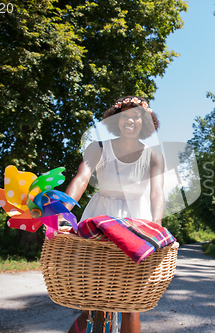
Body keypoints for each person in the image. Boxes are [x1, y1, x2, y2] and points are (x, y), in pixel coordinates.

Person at [63, 96, 165, 333]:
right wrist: (63, 211)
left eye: (137, 116)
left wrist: (157, 225)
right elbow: (82, 178)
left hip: (135, 221)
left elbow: (157, 193)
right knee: (90, 298)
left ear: (145, 122)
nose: (130, 120)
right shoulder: (98, 148)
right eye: (125, 116)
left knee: (131, 302)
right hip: (99, 217)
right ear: (116, 120)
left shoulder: (154, 156)